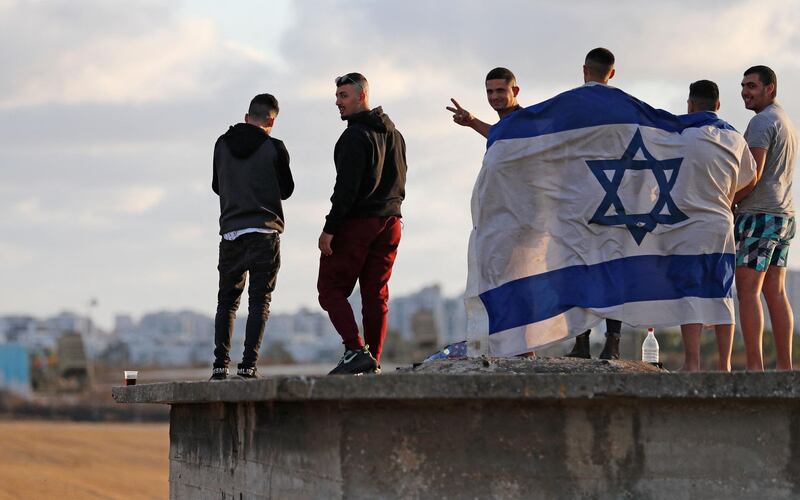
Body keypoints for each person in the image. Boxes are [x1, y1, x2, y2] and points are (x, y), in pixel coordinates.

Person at [318, 72, 408, 375]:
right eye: (337, 96)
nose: (337, 102)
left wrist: (330, 229)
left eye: (343, 96)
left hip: (359, 222)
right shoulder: (395, 135)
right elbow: (402, 177)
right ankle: (374, 360)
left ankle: (356, 349)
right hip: (392, 221)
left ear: (362, 96)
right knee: (376, 294)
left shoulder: (354, 136)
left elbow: (345, 189)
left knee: (330, 287)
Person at [210, 93, 294, 380]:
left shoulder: (222, 144)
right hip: (264, 231)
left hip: (231, 232)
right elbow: (286, 190)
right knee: (259, 302)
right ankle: (248, 367)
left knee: (227, 302)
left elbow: (216, 186)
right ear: (271, 120)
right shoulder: (275, 147)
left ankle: (220, 366)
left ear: (247, 117)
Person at [679, 80, 756, 371]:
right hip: (722, 221)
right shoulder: (734, 138)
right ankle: (724, 365)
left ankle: (692, 362)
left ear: (690, 104)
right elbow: (753, 175)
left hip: (689, 224)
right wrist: (728, 197)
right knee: (722, 293)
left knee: (690, 292)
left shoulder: (682, 135)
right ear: (718, 105)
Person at [734, 65, 798, 371]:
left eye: (752, 86)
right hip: (784, 215)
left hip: (759, 215)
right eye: (744, 86)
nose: (745, 92)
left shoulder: (761, 122)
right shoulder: (785, 120)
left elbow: (753, 174)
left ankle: (755, 369)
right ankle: (785, 368)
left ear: (769, 88)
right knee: (776, 292)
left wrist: (730, 201)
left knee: (748, 292)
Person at [565, 47, 624, 360]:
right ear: (611, 73)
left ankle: (581, 341)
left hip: (578, 201)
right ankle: (613, 342)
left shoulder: (569, 102)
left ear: (584, 69)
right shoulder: (628, 106)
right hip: (617, 202)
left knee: (578, 270)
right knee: (613, 273)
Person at [446, 67, 522, 138]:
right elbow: (504, 136)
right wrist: (472, 122)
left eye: (500, 91)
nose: (494, 97)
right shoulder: (508, 129)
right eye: (490, 92)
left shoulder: (529, 121)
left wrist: (473, 122)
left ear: (515, 91)